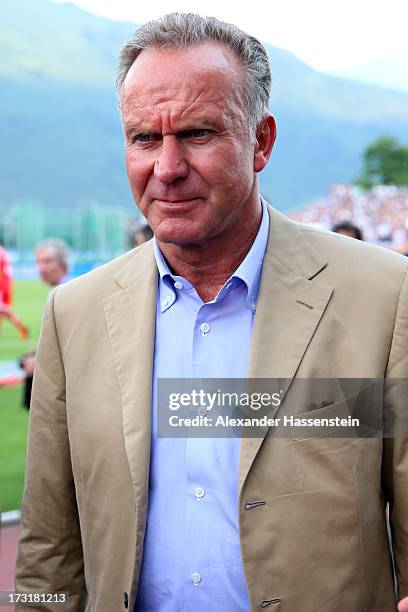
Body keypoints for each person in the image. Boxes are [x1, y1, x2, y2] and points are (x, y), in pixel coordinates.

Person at [15, 13, 408, 612]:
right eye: (145, 138)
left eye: (197, 134)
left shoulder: (382, 296)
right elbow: (48, 545)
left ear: (262, 141)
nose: (166, 168)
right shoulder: (75, 313)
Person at [19, 238, 69, 409]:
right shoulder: (56, 292)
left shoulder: (67, 293)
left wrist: (37, 362)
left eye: (48, 261)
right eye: (39, 262)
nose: (41, 267)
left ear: (63, 264)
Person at [0, 242, 29, 339]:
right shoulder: (3, 251)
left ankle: (21, 327)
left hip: (1, 286)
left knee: (3, 310)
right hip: (5, 285)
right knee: (3, 310)